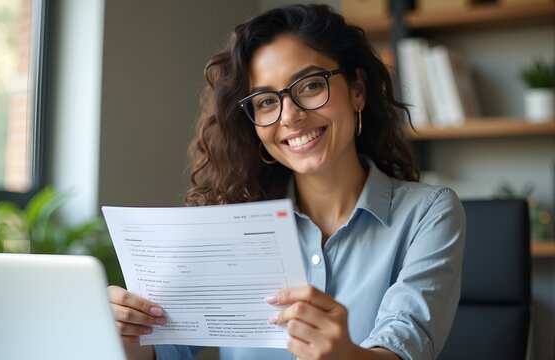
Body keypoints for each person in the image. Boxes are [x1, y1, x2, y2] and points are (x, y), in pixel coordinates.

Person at [107, 4, 465, 360]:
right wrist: (123, 334)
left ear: (357, 89)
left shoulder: (427, 214)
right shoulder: (237, 225)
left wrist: (345, 354)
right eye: (266, 102)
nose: (291, 115)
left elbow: (406, 343)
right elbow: (167, 349)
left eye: (310, 85)